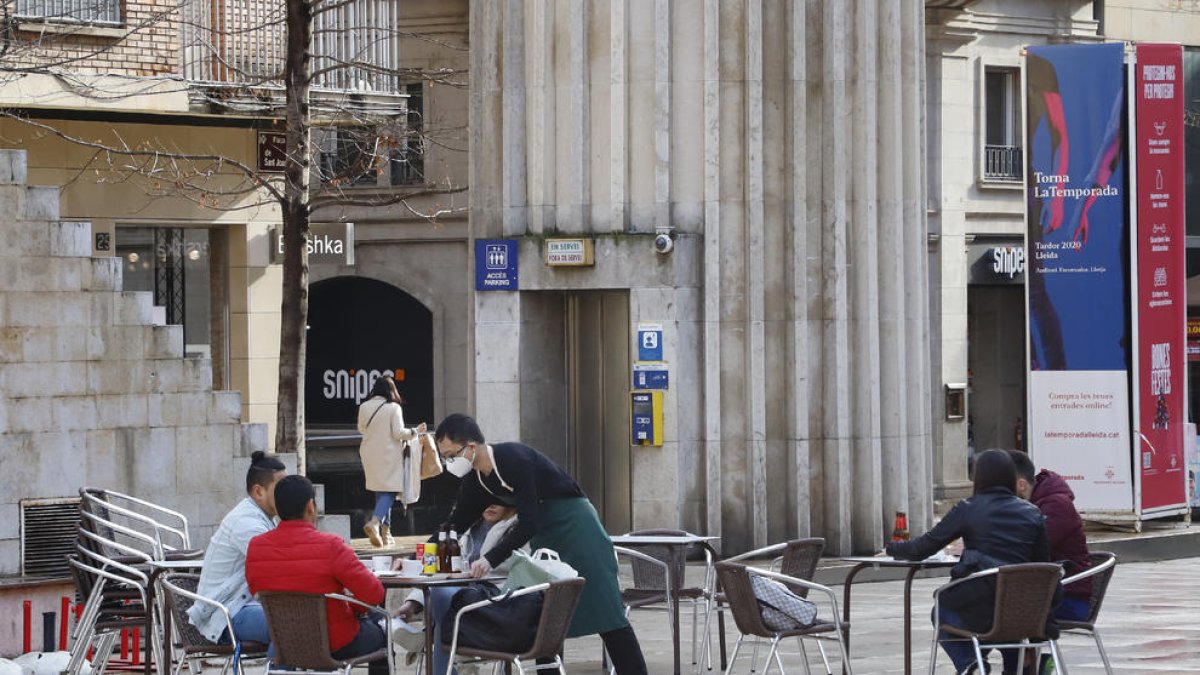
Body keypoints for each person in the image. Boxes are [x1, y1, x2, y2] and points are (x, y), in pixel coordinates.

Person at [433, 413, 649, 675]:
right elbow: (455, 523)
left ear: (471, 447)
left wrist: (489, 559)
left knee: (606, 610)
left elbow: (528, 523)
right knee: (546, 615)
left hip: (577, 528)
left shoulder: (514, 458)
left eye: (450, 455)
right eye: (444, 457)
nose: (448, 462)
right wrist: (420, 554)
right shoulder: (475, 480)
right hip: (546, 537)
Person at [887, 449, 1051, 675]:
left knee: (941, 611)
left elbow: (923, 547)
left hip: (979, 604)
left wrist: (890, 547)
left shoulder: (969, 508)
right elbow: (1043, 565)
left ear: (979, 477)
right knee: (1008, 629)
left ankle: (970, 664)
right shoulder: (1033, 513)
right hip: (1022, 610)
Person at [246, 475, 387, 672]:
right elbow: (374, 595)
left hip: (286, 642)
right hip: (336, 643)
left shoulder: (256, 547)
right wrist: (352, 607)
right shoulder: (332, 546)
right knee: (382, 629)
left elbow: (257, 589)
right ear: (311, 506)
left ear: (277, 509)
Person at [392, 502, 527, 675]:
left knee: (444, 603)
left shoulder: (517, 526)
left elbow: (511, 563)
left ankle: (427, 638)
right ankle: (452, 648)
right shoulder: (469, 526)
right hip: (460, 592)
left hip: (493, 596)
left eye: (498, 501)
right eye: (485, 499)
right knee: (442, 594)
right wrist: (413, 602)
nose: (490, 505)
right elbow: (444, 571)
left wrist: (477, 568)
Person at [187, 451, 286, 648]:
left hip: (246, 607)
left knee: (306, 622)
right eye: (281, 488)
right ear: (259, 492)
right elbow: (279, 570)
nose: (287, 493)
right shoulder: (247, 523)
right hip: (226, 615)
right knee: (289, 625)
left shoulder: (265, 518)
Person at [358, 375, 425, 548]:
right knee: (390, 491)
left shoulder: (364, 406)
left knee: (381, 491)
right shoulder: (393, 408)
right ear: (391, 390)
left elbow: (361, 429)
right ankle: (374, 522)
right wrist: (415, 431)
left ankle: (385, 535)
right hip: (389, 454)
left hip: (369, 453)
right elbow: (398, 433)